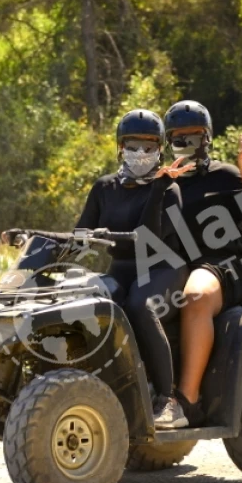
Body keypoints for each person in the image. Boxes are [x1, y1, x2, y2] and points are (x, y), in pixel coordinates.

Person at [161, 100, 242, 428]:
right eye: (179, 138)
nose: (187, 145)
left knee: (195, 294)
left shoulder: (225, 175)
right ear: (169, 142)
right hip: (176, 269)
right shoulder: (164, 183)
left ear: (207, 138)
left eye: (194, 137)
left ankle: (186, 401)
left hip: (226, 266)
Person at [75, 108, 193, 426]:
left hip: (164, 268)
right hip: (123, 267)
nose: (140, 153)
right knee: (84, 302)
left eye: (149, 146)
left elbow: (150, 239)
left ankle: (168, 400)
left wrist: (156, 189)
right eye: (133, 145)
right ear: (120, 147)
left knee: (140, 306)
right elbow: (79, 235)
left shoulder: (169, 189)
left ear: (160, 149)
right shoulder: (104, 187)